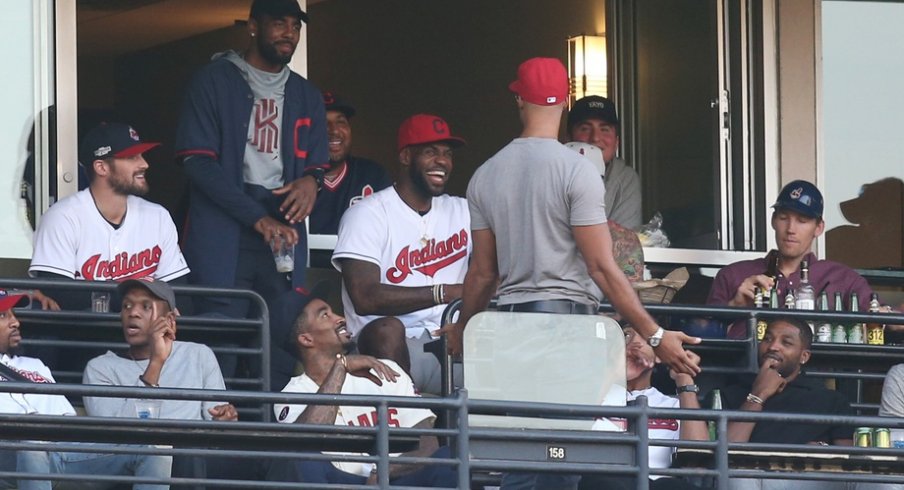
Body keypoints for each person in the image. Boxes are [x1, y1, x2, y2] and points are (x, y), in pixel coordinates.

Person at [449, 56, 698, 490]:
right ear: (565, 100)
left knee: (528, 457)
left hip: (508, 326)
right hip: (565, 328)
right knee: (559, 459)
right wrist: (655, 336)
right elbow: (603, 267)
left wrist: (464, 328)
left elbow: (482, 274)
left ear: (519, 99)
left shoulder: (485, 174)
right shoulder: (578, 170)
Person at [174, 0, 328, 318]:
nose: (289, 33)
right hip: (223, 232)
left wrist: (312, 182)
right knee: (223, 338)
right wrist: (257, 217)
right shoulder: (214, 81)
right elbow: (197, 163)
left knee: (278, 338)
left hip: (282, 234)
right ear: (253, 26)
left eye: (295, 26)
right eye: (279, 23)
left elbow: (317, 164)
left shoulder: (307, 94)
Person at [332, 114, 470, 395]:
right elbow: (364, 296)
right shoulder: (368, 213)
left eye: (447, 154)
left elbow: (495, 271)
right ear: (406, 156)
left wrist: (467, 321)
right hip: (391, 348)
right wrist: (444, 292)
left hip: (453, 341)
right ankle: (408, 426)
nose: (442, 161)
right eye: (430, 152)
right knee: (387, 329)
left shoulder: (464, 211)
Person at [273, 296, 456, 487]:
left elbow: (428, 443)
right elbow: (305, 445)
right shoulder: (291, 394)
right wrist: (340, 368)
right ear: (306, 339)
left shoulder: (385, 370)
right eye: (325, 315)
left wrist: (385, 471)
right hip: (338, 483)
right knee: (302, 459)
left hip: (397, 478)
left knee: (448, 458)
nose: (340, 318)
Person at [1, 288, 172, 490]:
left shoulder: (34, 365)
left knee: (156, 447)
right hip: (11, 454)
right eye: (4, 316)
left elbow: (67, 421)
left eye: (14, 315)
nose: (16, 322)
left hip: (61, 449)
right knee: (31, 445)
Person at [28, 121, 189, 310]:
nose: (144, 164)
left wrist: (108, 299)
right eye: (131, 157)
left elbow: (181, 295)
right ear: (101, 167)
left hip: (146, 337)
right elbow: (60, 293)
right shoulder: (63, 217)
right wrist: (147, 303)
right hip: (84, 335)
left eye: (142, 156)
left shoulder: (158, 217)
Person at [707, 180, 875, 338]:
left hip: (817, 367)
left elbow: (882, 317)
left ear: (819, 228)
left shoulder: (842, 277)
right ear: (773, 221)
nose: (790, 229)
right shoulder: (734, 274)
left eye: (802, 220)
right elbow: (702, 335)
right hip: (747, 366)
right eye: (783, 218)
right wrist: (735, 305)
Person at [583, 324, 707, 490]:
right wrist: (616, 371)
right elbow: (575, 422)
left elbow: (698, 455)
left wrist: (684, 378)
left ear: (659, 356)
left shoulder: (674, 404)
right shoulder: (592, 391)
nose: (635, 343)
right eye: (626, 336)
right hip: (601, 480)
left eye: (646, 338)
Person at [719, 317, 854, 445]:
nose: (773, 346)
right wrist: (758, 394)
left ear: (804, 356)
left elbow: (847, 462)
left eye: (786, 343)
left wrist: (820, 450)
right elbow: (725, 454)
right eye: (767, 339)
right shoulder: (730, 395)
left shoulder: (831, 402)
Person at [309, 91, 391, 235]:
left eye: (340, 122)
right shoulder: (298, 178)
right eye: (322, 122)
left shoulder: (373, 175)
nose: (334, 130)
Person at [567, 95, 642, 229]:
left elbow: (622, 241)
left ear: (616, 142)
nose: (595, 137)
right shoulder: (551, 172)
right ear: (569, 138)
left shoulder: (625, 178)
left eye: (604, 129)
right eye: (585, 128)